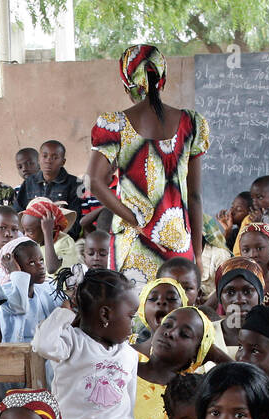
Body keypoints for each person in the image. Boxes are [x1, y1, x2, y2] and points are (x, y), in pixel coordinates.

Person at [89, 45, 210, 282]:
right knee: (175, 314)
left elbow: (94, 182)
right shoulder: (192, 124)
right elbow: (194, 196)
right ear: (162, 80)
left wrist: (133, 220)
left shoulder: (113, 124)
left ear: (127, 84)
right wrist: (197, 255)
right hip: (178, 245)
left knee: (133, 315)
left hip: (133, 245)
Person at [34, 267, 141, 419]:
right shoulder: (72, 343)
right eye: (131, 316)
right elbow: (43, 344)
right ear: (105, 314)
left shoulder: (129, 354)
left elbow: (128, 408)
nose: (133, 324)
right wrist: (65, 311)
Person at [136, 306, 222, 419]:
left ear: (196, 353)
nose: (170, 333)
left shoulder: (190, 395)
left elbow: (247, 382)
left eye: (184, 334)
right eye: (167, 325)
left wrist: (215, 354)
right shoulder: (124, 367)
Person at [0, 237, 61, 345]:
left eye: (41, 260)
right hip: (17, 354)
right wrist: (15, 273)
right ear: (16, 267)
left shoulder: (46, 287)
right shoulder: (5, 292)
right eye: (31, 263)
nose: (40, 266)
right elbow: (20, 306)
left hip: (45, 352)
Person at [14, 140, 82, 228]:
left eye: (55, 157)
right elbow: (18, 212)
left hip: (61, 234)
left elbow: (75, 220)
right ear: (38, 159)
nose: (48, 161)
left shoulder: (74, 183)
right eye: (45, 156)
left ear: (63, 162)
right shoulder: (29, 182)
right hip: (32, 235)